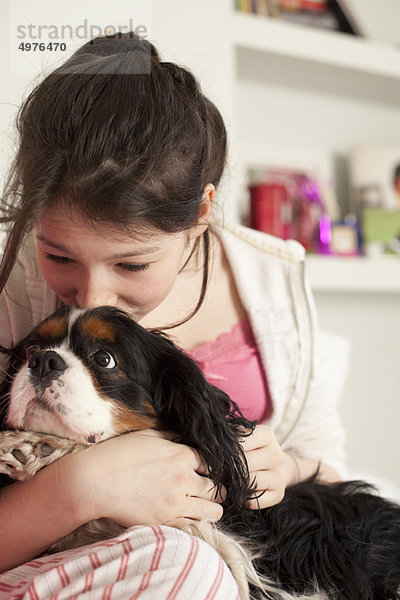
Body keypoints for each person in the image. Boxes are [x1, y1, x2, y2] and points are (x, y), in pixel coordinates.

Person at [0, 31, 346, 599]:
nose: (91, 293)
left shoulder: (270, 273)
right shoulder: (12, 285)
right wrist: (79, 487)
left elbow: (328, 463)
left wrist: (288, 467)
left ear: (202, 210)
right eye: (58, 255)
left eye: (132, 264)